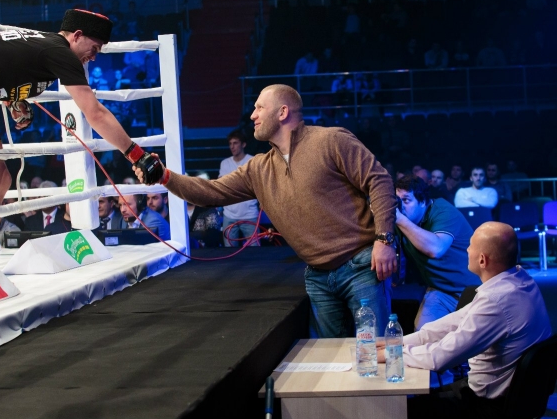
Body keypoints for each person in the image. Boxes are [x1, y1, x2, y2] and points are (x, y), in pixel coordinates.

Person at [134, 84, 398, 338]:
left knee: (377, 352)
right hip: (318, 275)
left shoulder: (330, 140)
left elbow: (379, 180)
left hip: (361, 265)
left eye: (260, 107)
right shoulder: (259, 169)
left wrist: (384, 239)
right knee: (331, 357)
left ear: (282, 112)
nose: (252, 115)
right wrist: (165, 176)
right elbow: (210, 192)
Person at [0, 8, 161, 266]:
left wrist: (14, 100)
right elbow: (95, 113)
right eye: (94, 48)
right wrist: (136, 154)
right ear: (77, 35)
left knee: (1, 180)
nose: (94, 57)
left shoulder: (45, 45)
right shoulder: (59, 52)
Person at [378, 222, 552, 419]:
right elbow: (451, 323)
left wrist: (392, 354)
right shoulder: (518, 280)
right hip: (506, 398)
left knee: (399, 410)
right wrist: (397, 343)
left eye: (470, 246)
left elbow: (440, 357)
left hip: (488, 407)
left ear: (482, 260)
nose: (467, 250)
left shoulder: (497, 299)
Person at [395, 176, 481, 330]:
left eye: (406, 200)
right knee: (423, 333)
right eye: (397, 200)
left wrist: (400, 219)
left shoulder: (443, 211)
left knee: (471, 337)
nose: (400, 206)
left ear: (422, 201)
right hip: (441, 291)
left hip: (473, 289)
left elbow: (436, 249)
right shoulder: (403, 220)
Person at [218, 131, 260, 247]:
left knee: (255, 251)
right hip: (229, 215)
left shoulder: (252, 161)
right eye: (230, 143)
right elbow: (223, 186)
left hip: (249, 214)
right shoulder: (225, 163)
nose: (232, 146)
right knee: (229, 251)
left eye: (235, 143)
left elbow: (256, 185)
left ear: (243, 144)